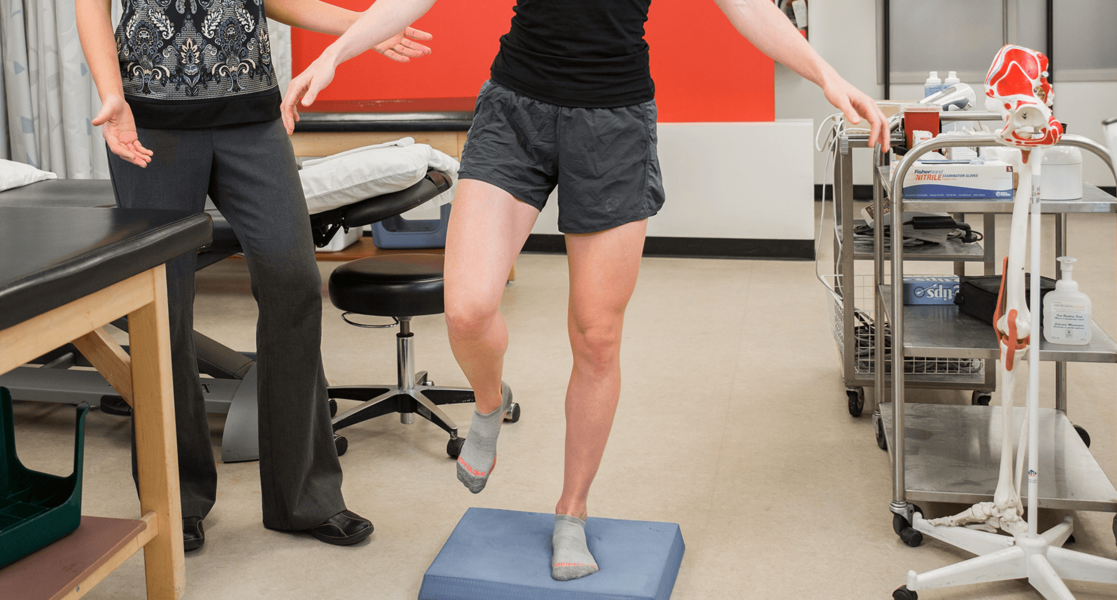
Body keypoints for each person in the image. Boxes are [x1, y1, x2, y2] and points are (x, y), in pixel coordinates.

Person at [282, 0, 889, 580]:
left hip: (614, 123)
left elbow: (748, 8)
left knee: (596, 337)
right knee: (467, 307)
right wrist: (338, 52)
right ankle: (488, 406)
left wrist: (826, 76)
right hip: (515, 109)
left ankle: (572, 510)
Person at [74, 0, 433, 550]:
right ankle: (176, 497)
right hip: (152, 120)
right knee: (160, 308)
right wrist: (111, 93)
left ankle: (305, 498)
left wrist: (362, 30)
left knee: (292, 281)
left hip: (252, 119)